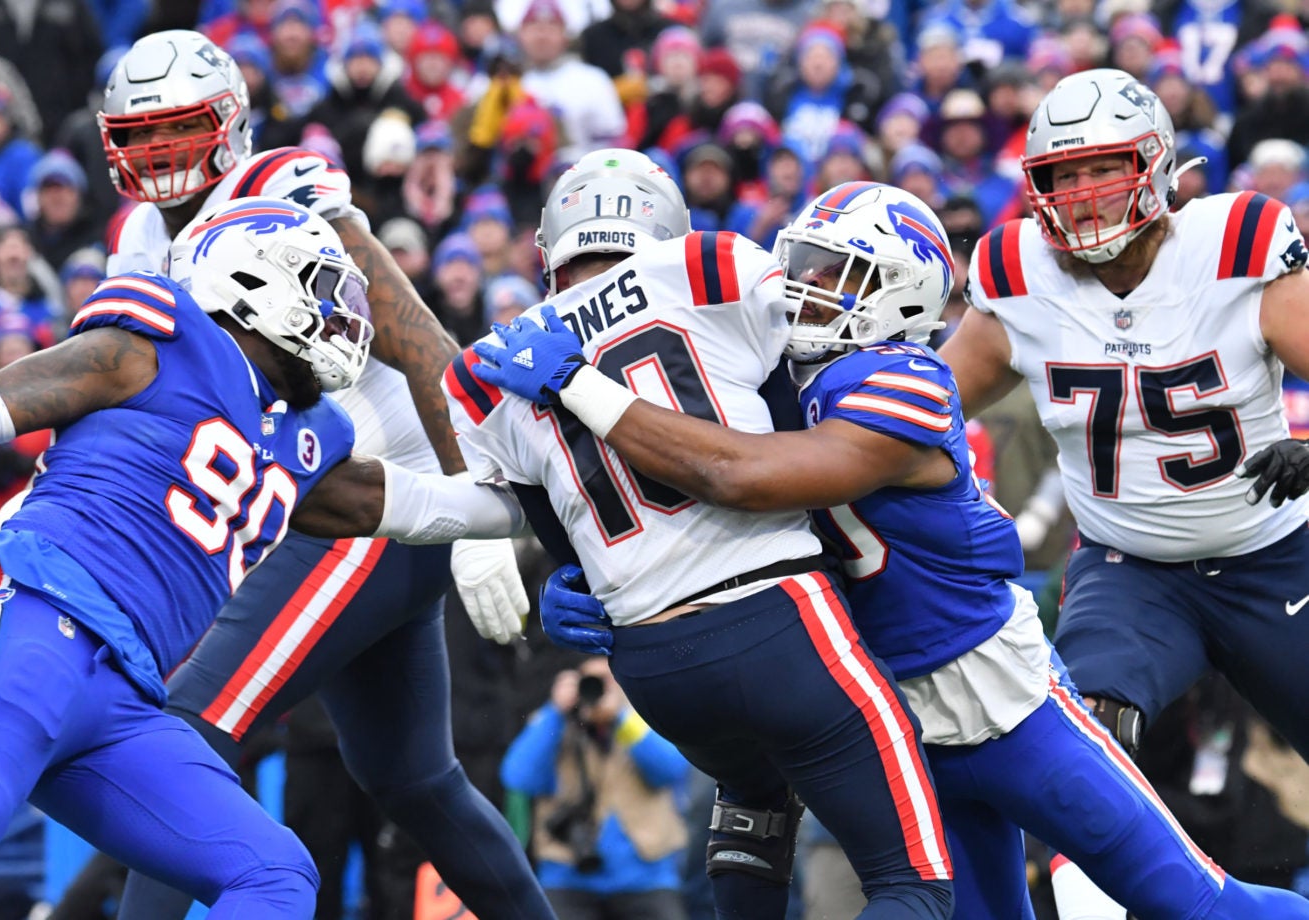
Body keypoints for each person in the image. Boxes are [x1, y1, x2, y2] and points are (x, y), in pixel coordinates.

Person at [474, 179, 1309, 919]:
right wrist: (591, 580)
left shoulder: (898, 377)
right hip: (883, 718)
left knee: (1193, 902)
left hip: (1000, 699)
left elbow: (743, 476)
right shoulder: (749, 373)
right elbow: (665, 503)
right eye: (800, 262)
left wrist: (578, 383)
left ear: (900, 295)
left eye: (837, 273)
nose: (803, 288)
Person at [0, 197, 524, 915]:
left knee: (272, 873)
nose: (342, 313)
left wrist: (538, 498)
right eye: (320, 286)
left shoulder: (307, 438)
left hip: (125, 695)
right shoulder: (160, 338)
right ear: (252, 282)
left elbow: (419, 505)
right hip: (33, 617)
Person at [92, 30, 551, 920]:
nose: (158, 154)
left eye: (177, 129)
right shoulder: (143, 235)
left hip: (373, 499)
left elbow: (419, 337)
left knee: (179, 735)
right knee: (414, 777)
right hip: (311, 508)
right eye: (139, 136)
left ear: (228, 125)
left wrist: (475, 497)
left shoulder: (278, 189)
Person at [445, 148, 954, 920]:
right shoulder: (708, 268)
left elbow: (559, 536)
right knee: (913, 883)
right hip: (784, 618)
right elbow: (782, 446)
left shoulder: (493, 362)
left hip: (655, 665)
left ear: (550, 251)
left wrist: (568, 578)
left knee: (755, 796)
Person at [935, 67, 1309, 916]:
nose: (1081, 194)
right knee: (1085, 740)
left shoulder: (1237, 244)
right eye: (1060, 176)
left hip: (1276, 556)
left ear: (1155, 165)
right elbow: (913, 417)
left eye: (1101, 168)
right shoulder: (1014, 273)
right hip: (1129, 566)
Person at [500, 656, 690, 919]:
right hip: (566, 877)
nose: (599, 690)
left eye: (609, 681)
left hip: (646, 878)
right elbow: (517, 777)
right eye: (591, 682)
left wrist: (620, 718)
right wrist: (555, 711)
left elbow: (672, 769)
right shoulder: (554, 723)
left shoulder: (640, 719)